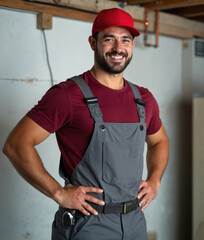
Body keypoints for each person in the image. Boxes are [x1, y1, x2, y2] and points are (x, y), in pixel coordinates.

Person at [2, 8, 169, 240]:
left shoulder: (144, 99)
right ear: (93, 42)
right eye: (109, 39)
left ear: (132, 46)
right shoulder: (67, 95)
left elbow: (159, 140)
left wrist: (155, 180)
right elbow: (16, 145)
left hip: (135, 223)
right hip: (87, 225)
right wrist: (58, 193)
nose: (118, 48)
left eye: (125, 40)